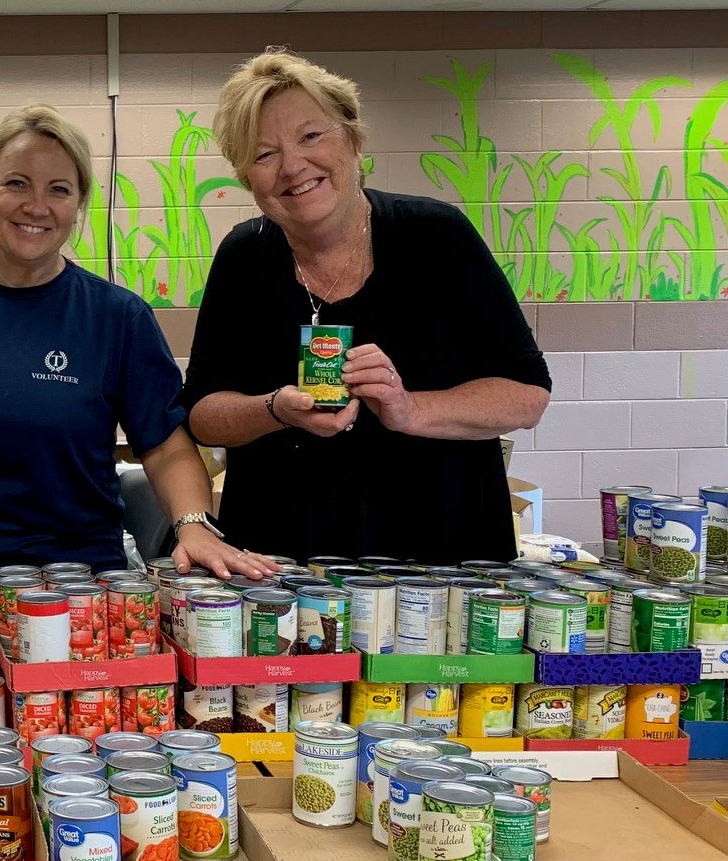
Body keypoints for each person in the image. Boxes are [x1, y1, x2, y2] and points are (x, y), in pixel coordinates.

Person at [0, 104, 275, 581]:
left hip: (74, 586)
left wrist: (194, 526)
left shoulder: (117, 317)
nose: (36, 206)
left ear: (77, 207)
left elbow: (165, 447)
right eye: (16, 183)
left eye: (58, 190)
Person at [180, 49, 551, 564]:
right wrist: (274, 410)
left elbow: (526, 396)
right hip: (282, 565)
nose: (292, 166)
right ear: (248, 180)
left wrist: (410, 408)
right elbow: (202, 415)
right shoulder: (244, 257)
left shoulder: (437, 237)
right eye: (264, 155)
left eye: (311, 136)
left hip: (439, 559)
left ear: (353, 141)